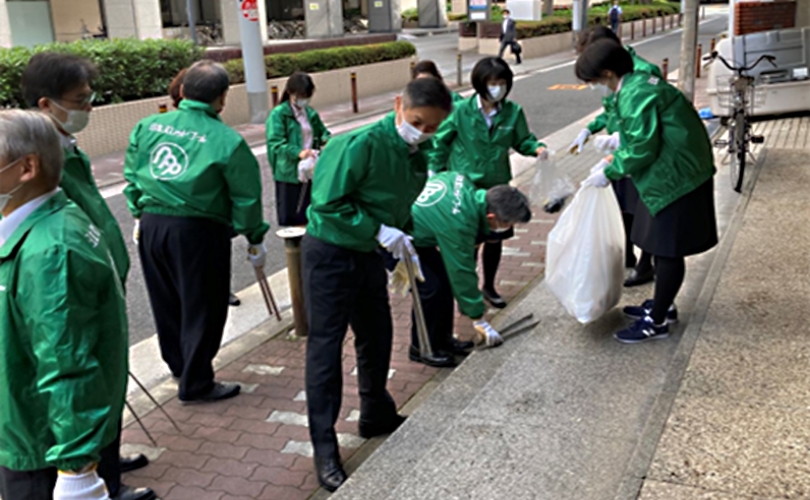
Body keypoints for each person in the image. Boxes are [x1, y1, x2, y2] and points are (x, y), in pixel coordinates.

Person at [303, 77, 453, 492]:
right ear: (398, 106)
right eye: (418, 122)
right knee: (326, 346)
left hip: (368, 253)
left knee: (377, 332)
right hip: (330, 254)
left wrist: (402, 243)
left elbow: (400, 206)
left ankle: (375, 411)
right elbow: (326, 203)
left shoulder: (416, 156)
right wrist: (379, 230)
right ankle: (324, 445)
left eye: (432, 128)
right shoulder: (358, 144)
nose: (422, 133)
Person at [20, 52, 154, 500]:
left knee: (106, 379)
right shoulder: (38, 158)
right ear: (46, 104)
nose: (89, 108)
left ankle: (108, 458)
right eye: (80, 100)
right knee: (82, 378)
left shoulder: (65, 146)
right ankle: (99, 476)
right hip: (75, 288)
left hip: (99, 285)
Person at [124, 61, 270, 403]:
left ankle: (179, 365)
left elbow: (132, 175)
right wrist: (254, 237)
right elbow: (246, 197)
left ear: (184, 91)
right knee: (203, 304)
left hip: (152, 226)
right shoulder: (227, 141)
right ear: (222, 98)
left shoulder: (147, 126)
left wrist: (137, 212)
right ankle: (197, 382)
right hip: (198, 232)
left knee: (166, 300)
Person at [0, 110, 127, 500]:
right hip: (27, 425)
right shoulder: (46, 221)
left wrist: (76, 471)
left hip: (41, 446)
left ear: (27, 168)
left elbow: (67, 363)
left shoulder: (49, 252)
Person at [578, 40, 717, 343]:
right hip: (676, 169)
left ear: (607, 72)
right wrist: (616, 147)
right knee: (658, 243)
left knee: (667, 249)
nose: (591, 87)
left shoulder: (636, 93)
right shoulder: (634, 84)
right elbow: (643, 134)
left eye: (591, 81)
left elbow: (642, 148)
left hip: (676, 178)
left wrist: (610, 171)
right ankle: (662, 306)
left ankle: (657, 323)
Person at [430, 57, 546, 309]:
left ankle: (489, 286)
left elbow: (522, 140)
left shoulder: (512, 112)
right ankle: (466, 291)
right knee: (468, 241)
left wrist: (537, 149)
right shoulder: (461, 111)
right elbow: (440, 142)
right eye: (492, 83)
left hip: (497, 185)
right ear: (480, 84)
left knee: (495, 239)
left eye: (502, 83)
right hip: (465, 186)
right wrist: (435, 174)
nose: (497, 89)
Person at [404, 173, 532, 367]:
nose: (506, 228)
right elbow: (461, 271)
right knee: (430, 290)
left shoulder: (463, 183)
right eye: (507, 224)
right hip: (397, 238)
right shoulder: (460, 224)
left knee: (445, 282)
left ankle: (442, 339)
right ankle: (422, 348)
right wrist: (478, 317)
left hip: (421, 232)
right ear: (492, 217)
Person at [568, 25, 663, 288]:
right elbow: (612, 110)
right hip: (620, 154)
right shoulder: (613, 74)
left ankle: (645, 265)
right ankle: (628, 256)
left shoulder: (643, 73)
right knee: (624, 208)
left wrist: (618, 147)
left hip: (636, 155)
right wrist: (590, 129)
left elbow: (646, 130)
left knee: (644, 212)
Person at [167, 67, 242, 307]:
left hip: (168, 217)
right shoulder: (224, 137)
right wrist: (253, 232)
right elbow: (246, 193)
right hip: (200, 216)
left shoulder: (152, 127)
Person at [266, 72, 331, 227]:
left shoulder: (310, 113)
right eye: (301, 95)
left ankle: (307, 245)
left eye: (307, 96)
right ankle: (294, 248)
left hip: (310, 168)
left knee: (310, 213)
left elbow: (322, 132)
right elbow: (276, 143)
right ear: (290, 93)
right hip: (289, 172)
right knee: (293, 217)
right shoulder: (279, 114)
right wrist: (298, 152)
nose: (304, 99)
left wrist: (326, 140)